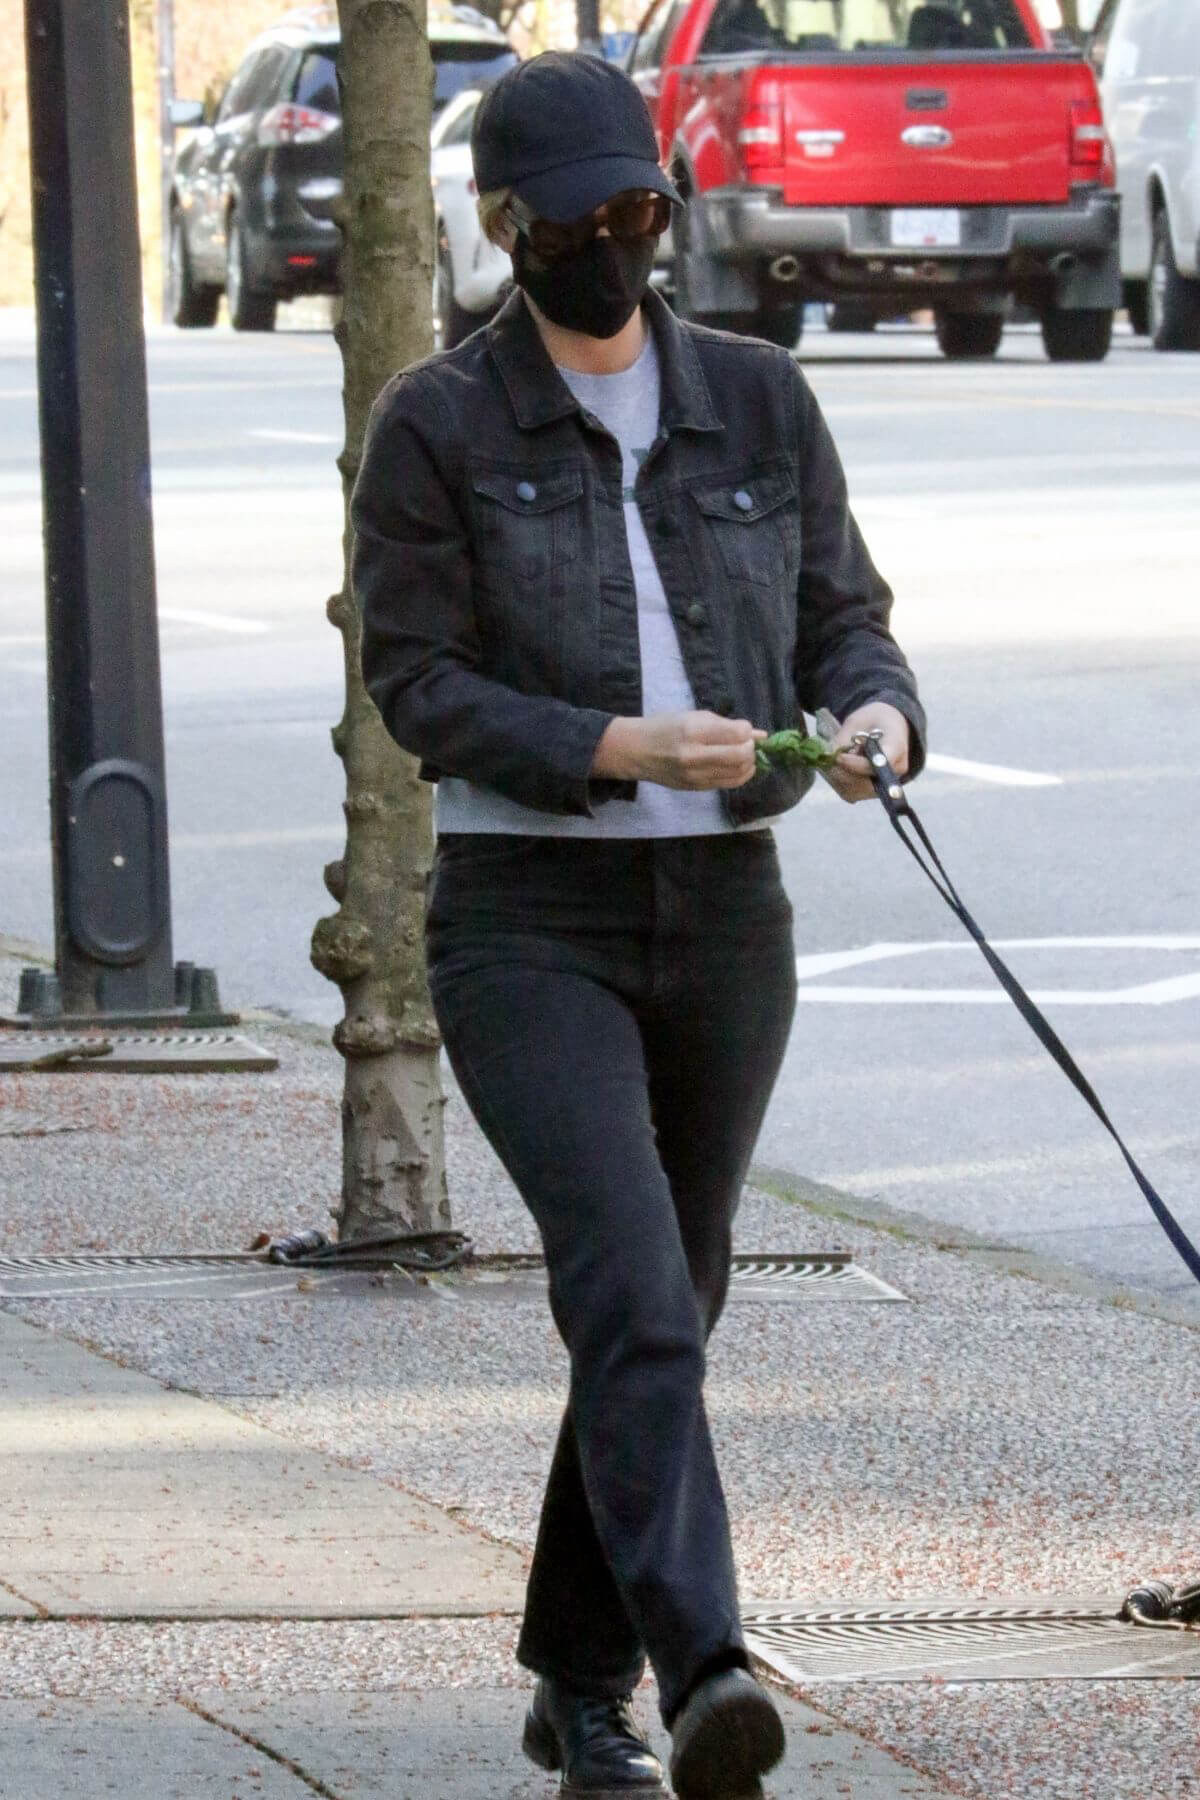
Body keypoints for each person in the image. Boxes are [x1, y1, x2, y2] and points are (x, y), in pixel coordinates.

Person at [353, 50, 925, 1800]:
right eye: (586, 219)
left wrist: (880, 722)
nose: (622, 242)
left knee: (663, 1303)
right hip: (531, 915)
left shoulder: (759, 397)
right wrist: (605, 744)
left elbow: (849, 618)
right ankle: (701, 1677)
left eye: (645, 209)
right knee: (631, 1288)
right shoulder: (440, 423)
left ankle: (570, 1676)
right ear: (510, 229)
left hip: (725, 909)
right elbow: (415, 683)